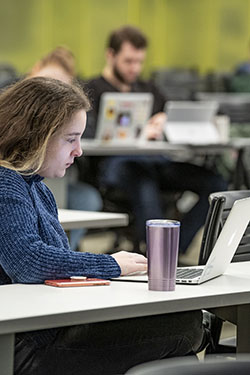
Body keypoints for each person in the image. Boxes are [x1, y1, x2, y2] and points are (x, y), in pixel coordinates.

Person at [0, 77, 210, 375]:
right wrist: (112, 264)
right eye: (70, 139)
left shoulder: (36, 187)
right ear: (37, 136)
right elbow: (29, 262)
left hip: (46, 327)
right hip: (24, 348)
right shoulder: (5, 183)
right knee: (184, 326)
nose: (79, 151)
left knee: (176, 333)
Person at [84, 25, 227, 254]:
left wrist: (165, 124)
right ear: (110, 55)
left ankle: (173, 248)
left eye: (140, 62)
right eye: (129, 61)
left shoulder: (149, 89)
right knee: (142, 178)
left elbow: (168, 118)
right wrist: (138, 133)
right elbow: (85, 135)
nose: (135, 68)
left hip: (155, 161)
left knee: (216, 184)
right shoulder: (92, 90)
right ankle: (158, 253)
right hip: (113, 164)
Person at [29, 46, 103, 251]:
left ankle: (67, 250)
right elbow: (30, 262)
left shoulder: (39, 190)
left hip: (58, 184)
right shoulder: (10, 184)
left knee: (87, 199)